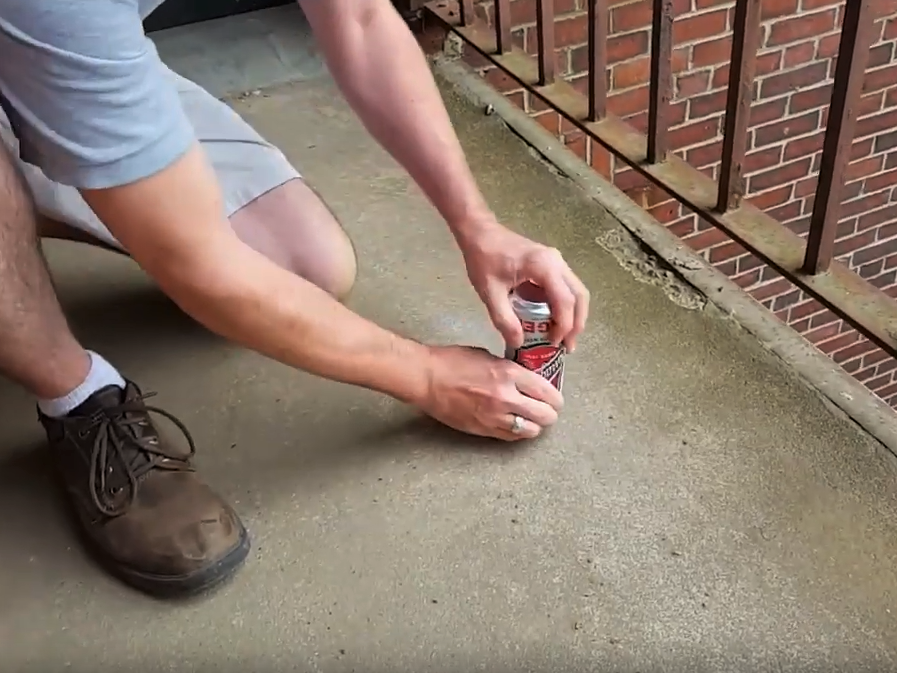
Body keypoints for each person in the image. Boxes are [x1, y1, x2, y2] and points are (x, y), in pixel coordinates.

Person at [0, 0, 590, 598]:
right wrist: (429, 376)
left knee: (304, 265)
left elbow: (358, 19)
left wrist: (477, 225)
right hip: (50, 25)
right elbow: (199, 266)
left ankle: (69, 138)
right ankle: (73, 391)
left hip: (53, 50)